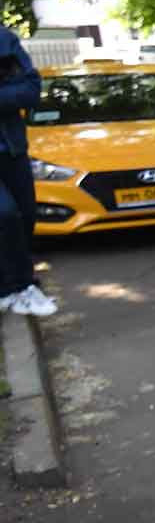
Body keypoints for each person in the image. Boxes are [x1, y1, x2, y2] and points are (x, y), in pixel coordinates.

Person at [0, 24, 55, 318]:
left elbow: (32, 89)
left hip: (12, 148)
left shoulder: (5, 40)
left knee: (26, 214)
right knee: (5, 214)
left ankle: (12, 288)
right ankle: (21, 286)